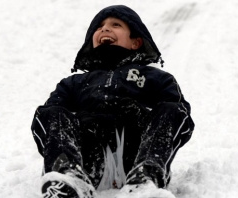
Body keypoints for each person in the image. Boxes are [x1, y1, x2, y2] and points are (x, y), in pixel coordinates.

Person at [31, 5, 194, 198]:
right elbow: (47, 121)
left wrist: (141, 111)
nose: (105, 29)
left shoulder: (155, 78)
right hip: (88, 155)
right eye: (99, 27)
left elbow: (180, 119)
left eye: (115, 25)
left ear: (136, 42)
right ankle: (69, 176)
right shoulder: (74, 82)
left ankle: (145, 180)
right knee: (51, 113)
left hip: (135, 149)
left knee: (172, 109)